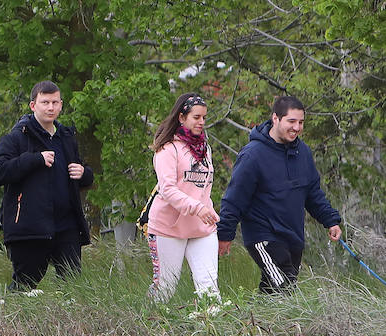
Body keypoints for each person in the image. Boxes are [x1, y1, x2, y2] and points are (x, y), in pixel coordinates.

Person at [216, 96, 343, 293]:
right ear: (276, 119)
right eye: (291, 121)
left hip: (293, 236)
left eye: (301, 122)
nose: (297, 127)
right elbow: (235, 198)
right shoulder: (253, 155)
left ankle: (254, 323)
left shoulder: (303, 153)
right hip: (263, 235)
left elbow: (312, 193)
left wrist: (330, 220)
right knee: (283, 286)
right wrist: (225, 233)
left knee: (275, 291)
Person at [0, 80, 95, 290]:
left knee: (73, 288)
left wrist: (84, 174)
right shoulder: (18, 136)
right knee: (24, 287)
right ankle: (12, 322)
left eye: (55, 102)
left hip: (67, 227)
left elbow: (82, 173)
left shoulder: (66, 136)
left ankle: (70, 323)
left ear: (61, 105)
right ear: (33, 105)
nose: (50, 107)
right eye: (45, 102)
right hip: (30, 227)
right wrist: (34, 159)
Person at [146, 94, 220, 302]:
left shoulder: (205, 150)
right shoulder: (167, 149)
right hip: (168, 228)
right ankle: (147, 328)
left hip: (202, 228)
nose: (202, 122)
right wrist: (197, 207)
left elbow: (204, 187)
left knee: (209, 286)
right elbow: (168, 190)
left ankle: (212, 331)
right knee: (165, 288)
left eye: (204, 118)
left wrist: (208, 209)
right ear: (181, 117)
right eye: (196, 117)